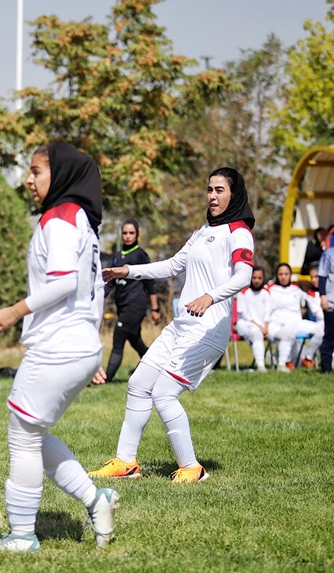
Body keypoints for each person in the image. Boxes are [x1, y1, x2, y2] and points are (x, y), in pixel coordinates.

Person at [0, 142, 118, 552]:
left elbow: (64, 283)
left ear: (58, 175)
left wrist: (13, 311)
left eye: (37, 171)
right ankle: (98, 500)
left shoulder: (60, 218)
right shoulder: (81, 222)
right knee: (31, 431)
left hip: (61, 345)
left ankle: (23, 536)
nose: (28, 179)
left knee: (22, 434)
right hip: (77, 345)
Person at [90, 167, 255, 484]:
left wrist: (210, 296)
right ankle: (126, 463)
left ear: (234, 194)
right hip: (182, 325)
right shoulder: (204, 230)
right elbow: (172, 265)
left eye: (220, 190)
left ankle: (193, 468)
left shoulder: (239, 231)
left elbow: (243, 276)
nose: (212, 196)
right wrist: (128, 270)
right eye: (209, 189)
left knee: (164, 393)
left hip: (209, 329)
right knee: (138, 384)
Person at [103, 220, 161, 382]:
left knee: (118, 338)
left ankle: (107, 379)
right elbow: (111, 282)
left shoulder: (140, 255)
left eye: (131, 233)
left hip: (135, 306)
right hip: (122, 306)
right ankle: (158, 367)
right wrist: (100, 296)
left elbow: (150, 283)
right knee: (136, 341)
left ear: (137, 234)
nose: (128, 236)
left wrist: (155, 309)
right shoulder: (117, 256)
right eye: (125, 233)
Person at [267, 263, 323, 371]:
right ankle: (283, 364)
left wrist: (318, 312)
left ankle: (308, 357)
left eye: (286, 274)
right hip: (277, 324)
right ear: (277, 275)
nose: (283, 277)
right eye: (280, 274)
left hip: (296, 322)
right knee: (288, 332)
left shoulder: (296, 289)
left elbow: (310, 299)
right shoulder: (270, 289)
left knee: (319, 330)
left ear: (290, 275)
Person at [317, 222, 334, 374]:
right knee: (330, 337)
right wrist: (323, 297)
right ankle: (326, 368)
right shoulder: (328, 254)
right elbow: (322, 277)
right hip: (333, 303)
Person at [234, 265, 271, 372]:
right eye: (254, 278)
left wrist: (266, 327)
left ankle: (281, 362)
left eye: (259, 278)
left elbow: (267, 313)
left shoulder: (266, 293)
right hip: (244, 324)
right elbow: (245, 315)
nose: (256, 280)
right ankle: (261, 365)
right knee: (256, 333)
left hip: (263, 326)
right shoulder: (243, 292)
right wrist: (260, 327)